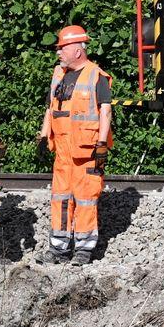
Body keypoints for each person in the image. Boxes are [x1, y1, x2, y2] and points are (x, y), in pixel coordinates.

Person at [39, 23, 113, 266]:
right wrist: (43, 136)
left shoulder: (96, 75)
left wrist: (102, 144)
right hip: (62, 153)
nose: (58, 52)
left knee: (85, 199)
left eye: (62, 48)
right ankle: (58, 248)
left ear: (78, 50)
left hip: (86, 152)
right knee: (59, 198)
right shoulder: (58, 75)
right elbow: (51, 109)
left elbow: (105, 112)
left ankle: (83, 249)